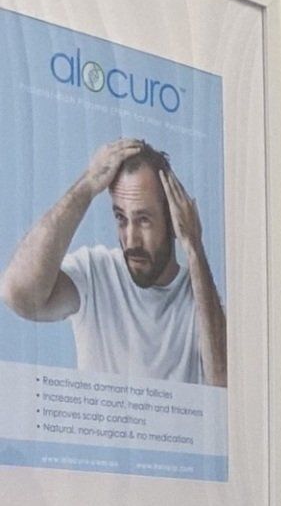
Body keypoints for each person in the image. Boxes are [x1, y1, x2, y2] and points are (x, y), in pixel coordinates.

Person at [1, 138, 226, 386]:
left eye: (143, 220)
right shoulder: (94, 272)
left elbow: (222, 382)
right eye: (121, 218)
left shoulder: (201, 297)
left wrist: (194, 248)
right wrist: (86, 186)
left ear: (173, 220)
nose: (131, 239)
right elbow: (17, 294)